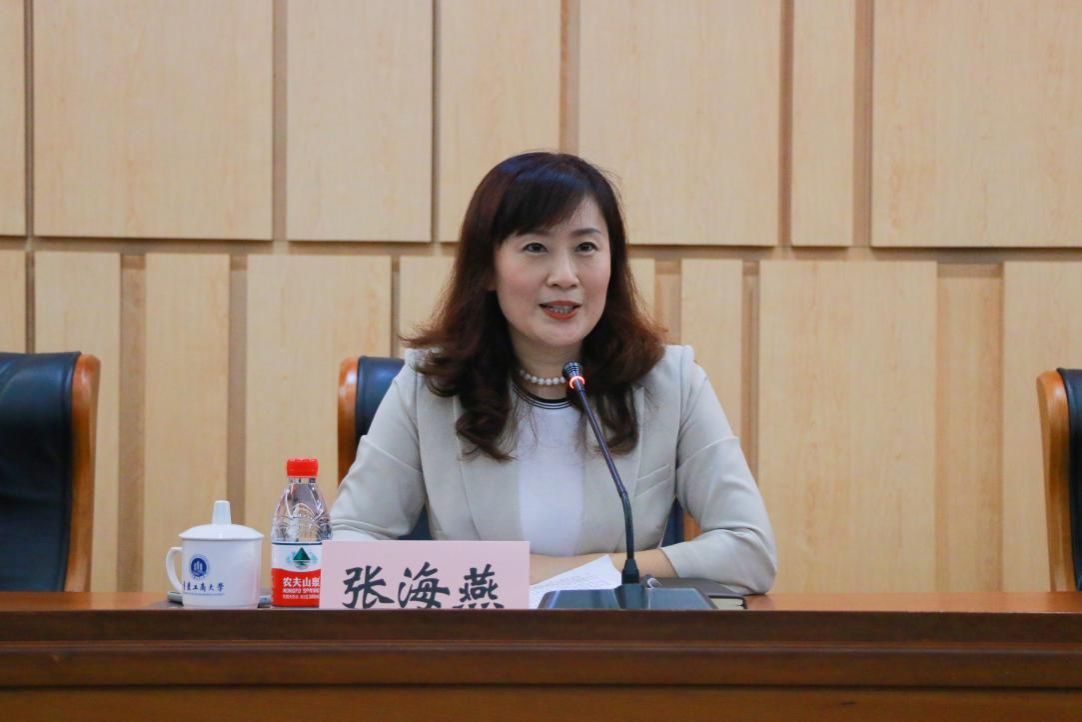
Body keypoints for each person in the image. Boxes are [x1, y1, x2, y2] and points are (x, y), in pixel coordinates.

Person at [331, 152, 776, 592]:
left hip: (615, 636)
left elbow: (750, 550)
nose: (565, 276)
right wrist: (491, 575)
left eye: (585, 248)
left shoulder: (670, 382)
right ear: (487, 268)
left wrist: (574, 572)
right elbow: (349, 542)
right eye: (535, 248)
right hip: (477, 637)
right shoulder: (430, 385)